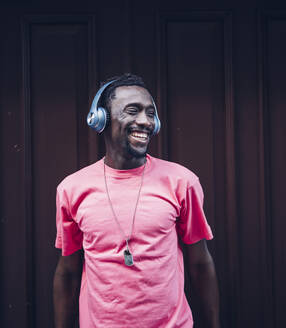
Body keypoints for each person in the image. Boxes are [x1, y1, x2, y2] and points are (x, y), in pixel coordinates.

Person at [53, 73, 220, 328]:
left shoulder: (182, 182)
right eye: (133, 111)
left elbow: (200, 263)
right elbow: (68, 272)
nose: (145, 121)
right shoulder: (72, 189)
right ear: (101, 119)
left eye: (151, 113)